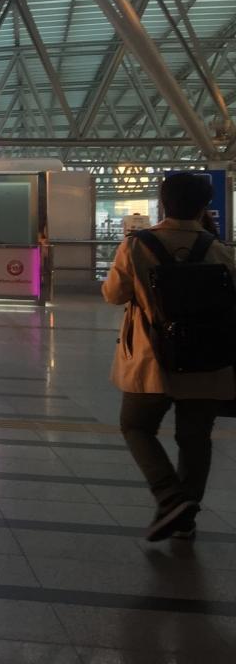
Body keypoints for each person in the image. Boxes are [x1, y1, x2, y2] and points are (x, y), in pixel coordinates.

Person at [102, 173, 236, 541]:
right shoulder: (219, 249)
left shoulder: (136, 246)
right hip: (208, 360)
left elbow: (113, 295)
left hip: (151, 360)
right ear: (204, 206)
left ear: (163, 202)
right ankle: (185, 518)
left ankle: (170, 496)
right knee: (195, 438)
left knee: (136, 426)